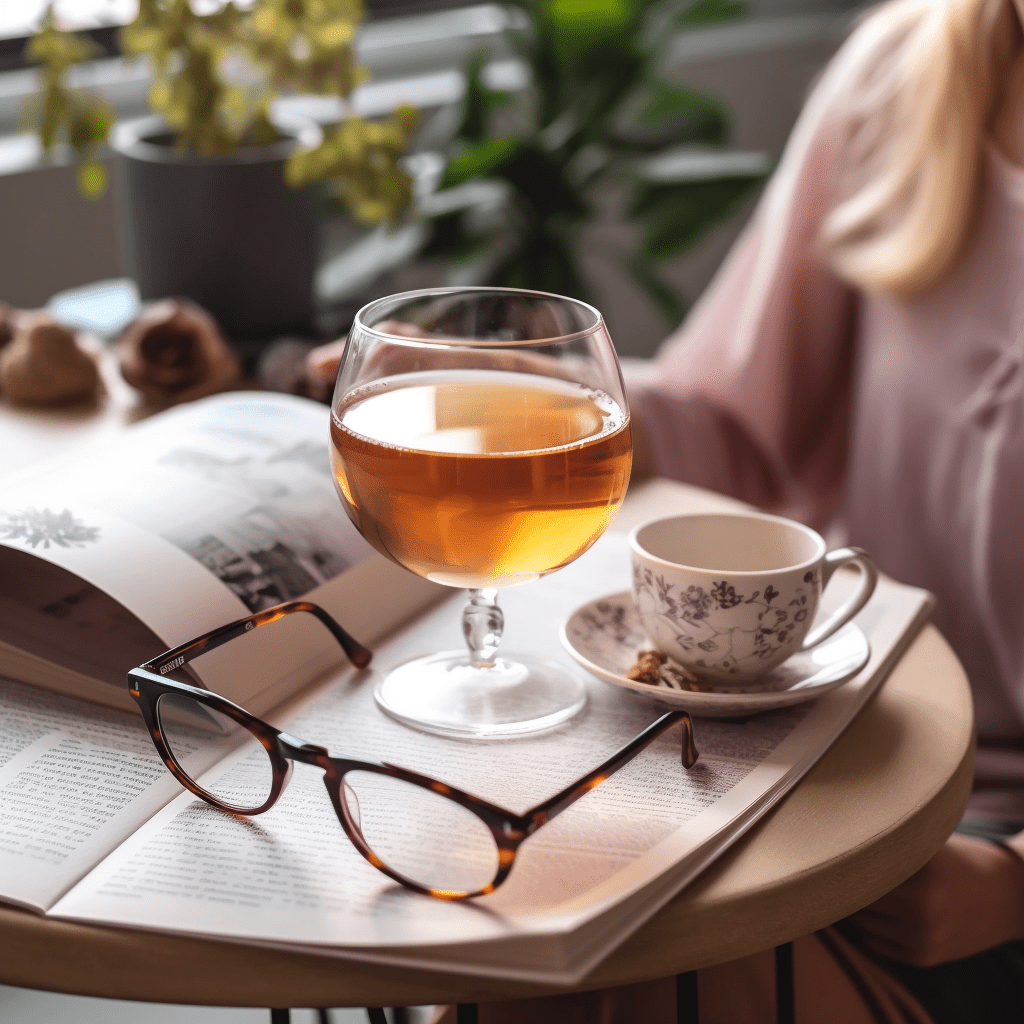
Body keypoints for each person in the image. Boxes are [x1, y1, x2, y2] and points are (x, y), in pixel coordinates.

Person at [307, 0, 1024, 1016]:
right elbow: (738, 424)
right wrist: (505, 405)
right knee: (523, 893)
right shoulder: (912, 70)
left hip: (967, 873)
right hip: (826, 758)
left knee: (570, 944)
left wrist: (1014, 885)